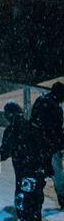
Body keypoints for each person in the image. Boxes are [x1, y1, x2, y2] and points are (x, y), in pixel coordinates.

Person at [0, 101, 51, 221]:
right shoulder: (34, 127)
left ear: (8, 115)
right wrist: (46, 168)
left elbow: (5, 151)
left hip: (25, 174)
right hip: (38, 173)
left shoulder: (12, 130)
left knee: (24, 204)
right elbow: (46, 148)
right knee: (36, 203)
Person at [30, 81, 64, 210]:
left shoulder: (40, 100)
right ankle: (62, 198)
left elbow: (34, 121)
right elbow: (56, 132)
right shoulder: (56, 109)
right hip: (50, 147)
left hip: (37, 145)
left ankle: (33, 198)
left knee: (37, 173)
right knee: (57, 175)